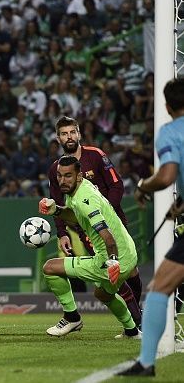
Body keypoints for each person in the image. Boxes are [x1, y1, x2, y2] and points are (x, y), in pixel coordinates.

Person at [117, 78, 184, 377]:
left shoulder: (170, 131)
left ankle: (146, 363)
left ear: (168, 106)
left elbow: (168, 174)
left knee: (159, 287)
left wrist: (144, 186)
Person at [48, 116, 142, 327]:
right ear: (58, 138)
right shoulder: (57, 169)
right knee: (113, 276)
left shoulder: (96, 155)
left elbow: (117, 185)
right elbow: (57, 202)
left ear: (79, 134)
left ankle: (137, 314)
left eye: (72, 132)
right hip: (88, 232)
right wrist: (62, 232)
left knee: (131, 270)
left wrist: (104, 212)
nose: (69, 137)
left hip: (114, 221)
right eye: (64, 133)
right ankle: (136, 322)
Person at [39, 155, 139, 338]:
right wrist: (57, 210)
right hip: (128, 252)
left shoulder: (85, 199)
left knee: (50, 268)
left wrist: (113, 262)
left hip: (112, 257)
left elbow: (107, 236)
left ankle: (71, 317)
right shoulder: (77, 191)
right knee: (103, 294)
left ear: (79, 176)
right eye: (59, 176)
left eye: (68, 176)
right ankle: (132, 331)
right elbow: (76, 217)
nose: (62, 180)